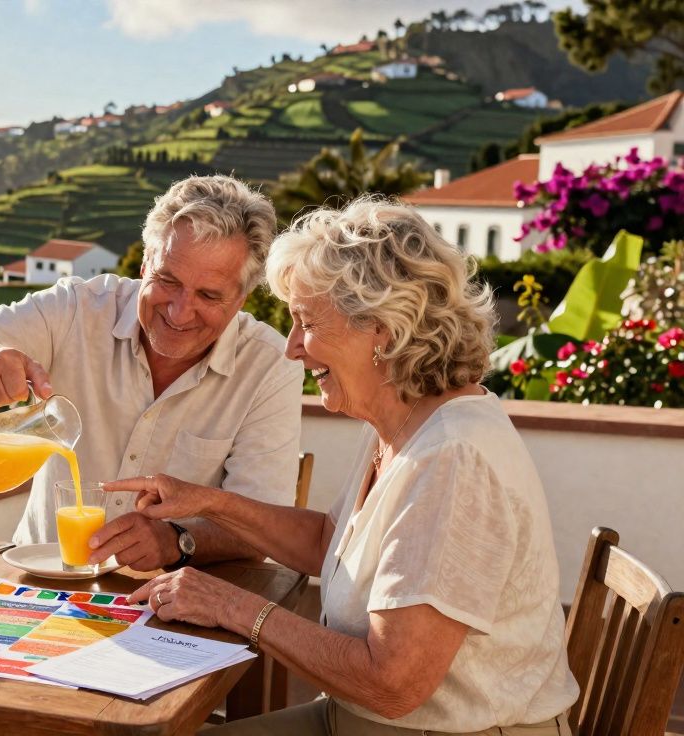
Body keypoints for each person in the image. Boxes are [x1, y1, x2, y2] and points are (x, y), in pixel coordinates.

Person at [109, 198, 579, 734]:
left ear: (381, 328)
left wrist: (233, 607)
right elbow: (330, 543)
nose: (291, 350)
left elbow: (393, 684)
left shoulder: (452, 458)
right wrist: (209, 502)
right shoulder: (401, 421)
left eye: (305, 323)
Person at [0, 175, 302, 570]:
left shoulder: (270, 367)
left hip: (169, 605)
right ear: (145, 263)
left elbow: (259, 527)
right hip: (39, 581)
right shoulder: (77, 309)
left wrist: (176, 539)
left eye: (208, 295)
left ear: (240, 298)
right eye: (167, 280)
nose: (180, 311)